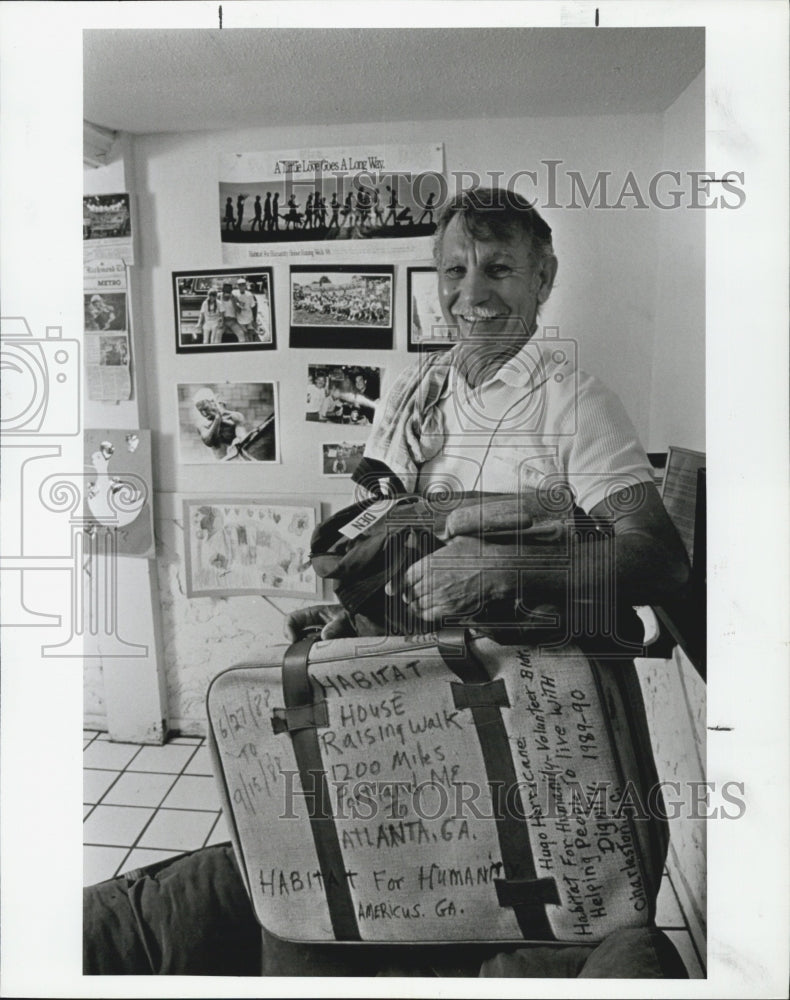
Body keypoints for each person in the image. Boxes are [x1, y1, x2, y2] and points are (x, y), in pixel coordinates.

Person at [84, 187, 691, 979]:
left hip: (537, 723)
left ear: (544, 277)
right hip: (407, 712)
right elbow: (384, 528)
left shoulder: (576, 402)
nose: (472, 293)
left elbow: (658, 557)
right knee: (333, 910)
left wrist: (508, 563)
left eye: (500, 269)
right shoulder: (419, 389)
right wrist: (357, 605)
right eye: (454, 270)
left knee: (517, 899)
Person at [232, 277, 259, 342]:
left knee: (251, 336)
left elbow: (254, 307)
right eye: (239, 285)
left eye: (243, 284)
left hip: (249, 319)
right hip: (240, 321)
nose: (241, 286)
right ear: (237, 286)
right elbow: (227, 292)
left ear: (245, 285)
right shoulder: (234, 293)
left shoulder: (249, 295)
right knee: (244, 336)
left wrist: (254, 320)